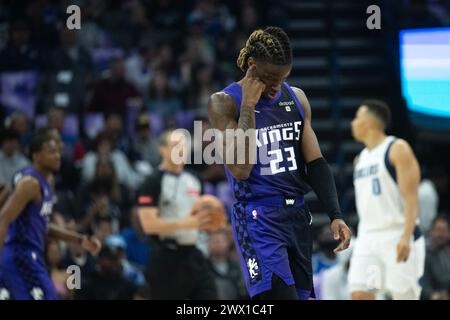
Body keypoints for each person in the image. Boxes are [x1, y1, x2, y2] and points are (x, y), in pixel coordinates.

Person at [207, 26, 351, 300]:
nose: (276, 86)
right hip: (257, 219)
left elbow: (316, 162)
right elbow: (240, 168)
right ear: (251, 65)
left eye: (283, 77)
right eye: (271, 78)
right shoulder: (224, 103)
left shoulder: (296, 97)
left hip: (296, 215)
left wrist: (335, 214)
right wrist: (248, 107)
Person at [0, 130, 101, 300]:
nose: (57, 156)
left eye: (58, 151)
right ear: (36, 156)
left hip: (31, 255)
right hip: (20, 255)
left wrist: (79, 240)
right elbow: (3, 219)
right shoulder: (30, 183)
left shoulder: (47, 182)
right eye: (51, 151)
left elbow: (43, 225)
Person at [348, 100, 425, 300]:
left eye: (357, 117)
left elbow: (411, 197)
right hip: (368, 238)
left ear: (370, 122)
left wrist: (406, 236)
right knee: (361, 293)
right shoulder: (360, 159)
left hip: (397, 234)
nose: (353, 123)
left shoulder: (397, 148)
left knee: (403, 296)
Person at [137, 129, 218, 299]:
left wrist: (211, 222)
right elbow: (148, 225)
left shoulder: (195, 179)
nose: (180, 149)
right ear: (162, 149)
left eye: (183, 145)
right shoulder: (152, 182)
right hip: (166, 258)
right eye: (175, 145)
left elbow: (200, 217)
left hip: (194, 255)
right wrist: (186, 224)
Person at [421, 216, 450, 300]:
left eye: (444, 231)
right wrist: (432, 295)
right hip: (430, 295)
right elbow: (422, 280)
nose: (440, 235)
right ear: (431, 231)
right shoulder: (424, 253)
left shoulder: (448, 252)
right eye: (438, 230)